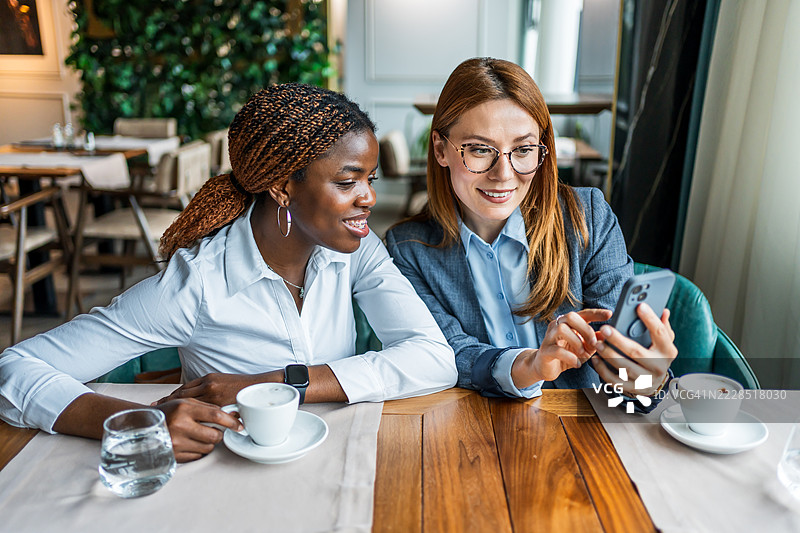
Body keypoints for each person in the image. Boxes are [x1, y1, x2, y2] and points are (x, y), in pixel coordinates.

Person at [0, 84, 457, 462]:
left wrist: (276, 381)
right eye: (347, 181)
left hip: (338, 459)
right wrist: (142, 422)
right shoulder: (196, 283)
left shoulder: (358, 251)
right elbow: (13, 369)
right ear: (282, 188)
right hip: (220, 480)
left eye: (369, 180)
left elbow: (434, 359)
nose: (368, 199)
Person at [385, 58, 676, 404]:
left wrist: (646, 378)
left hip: (585, 430)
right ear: (440, 149)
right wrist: (531, 366)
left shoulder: (588, 217)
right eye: (479, 149)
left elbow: (621, 372)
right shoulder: (408, 250)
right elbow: (451, 355)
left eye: (522, 150)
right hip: (473, 433)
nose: (504, 174)